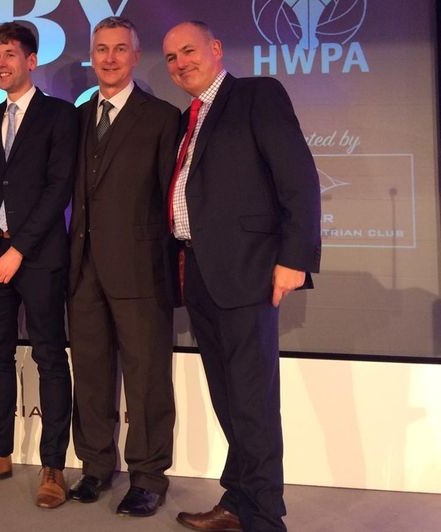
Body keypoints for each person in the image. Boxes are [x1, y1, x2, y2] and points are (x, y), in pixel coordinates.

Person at [161, 21, 321, 531]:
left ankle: (266, 518)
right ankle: (237, 503)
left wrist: (294, 258)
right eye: (170, 57)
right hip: (202, 273)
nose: (181, 62)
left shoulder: (256, 95)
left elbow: (299, 178)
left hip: (249, 272)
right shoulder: (189, 117)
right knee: (229, 399)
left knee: (251, 401)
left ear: (215, 49)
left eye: (189, 50)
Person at [0, 22, 77, 509]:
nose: (1, 63)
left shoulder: (60, 116)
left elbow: (58, 190)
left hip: (38, 257)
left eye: (10, 54)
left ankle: (53, 466)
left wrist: (17, 250)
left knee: (49, 356)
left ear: (32, 60)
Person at [65, 17, 180, 517]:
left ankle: (149, 476)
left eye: (119, 50)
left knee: (147, 377)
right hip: (82, 268)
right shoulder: (78, 115)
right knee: (89, 372)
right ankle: (94, 467)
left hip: (140, 268)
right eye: (100, 49)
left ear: (135, 56)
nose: (108, 58)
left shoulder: (161, 116)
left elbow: (171, 198)